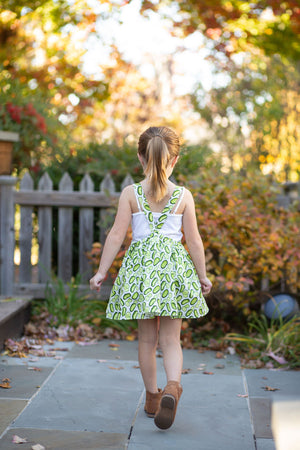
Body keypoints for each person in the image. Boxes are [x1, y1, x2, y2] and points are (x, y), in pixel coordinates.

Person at [90, 126, 212, 430]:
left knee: (147, 340)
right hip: (173, 271)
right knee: (172, 340)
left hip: (141, 272)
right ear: (175, 159)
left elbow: (117, 234)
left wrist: (101, 272)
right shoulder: (183, 196)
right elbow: (194, 241)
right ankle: (173, 387)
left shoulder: (130, 193)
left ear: (140, 156)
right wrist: (203, 276)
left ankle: (152, 398)